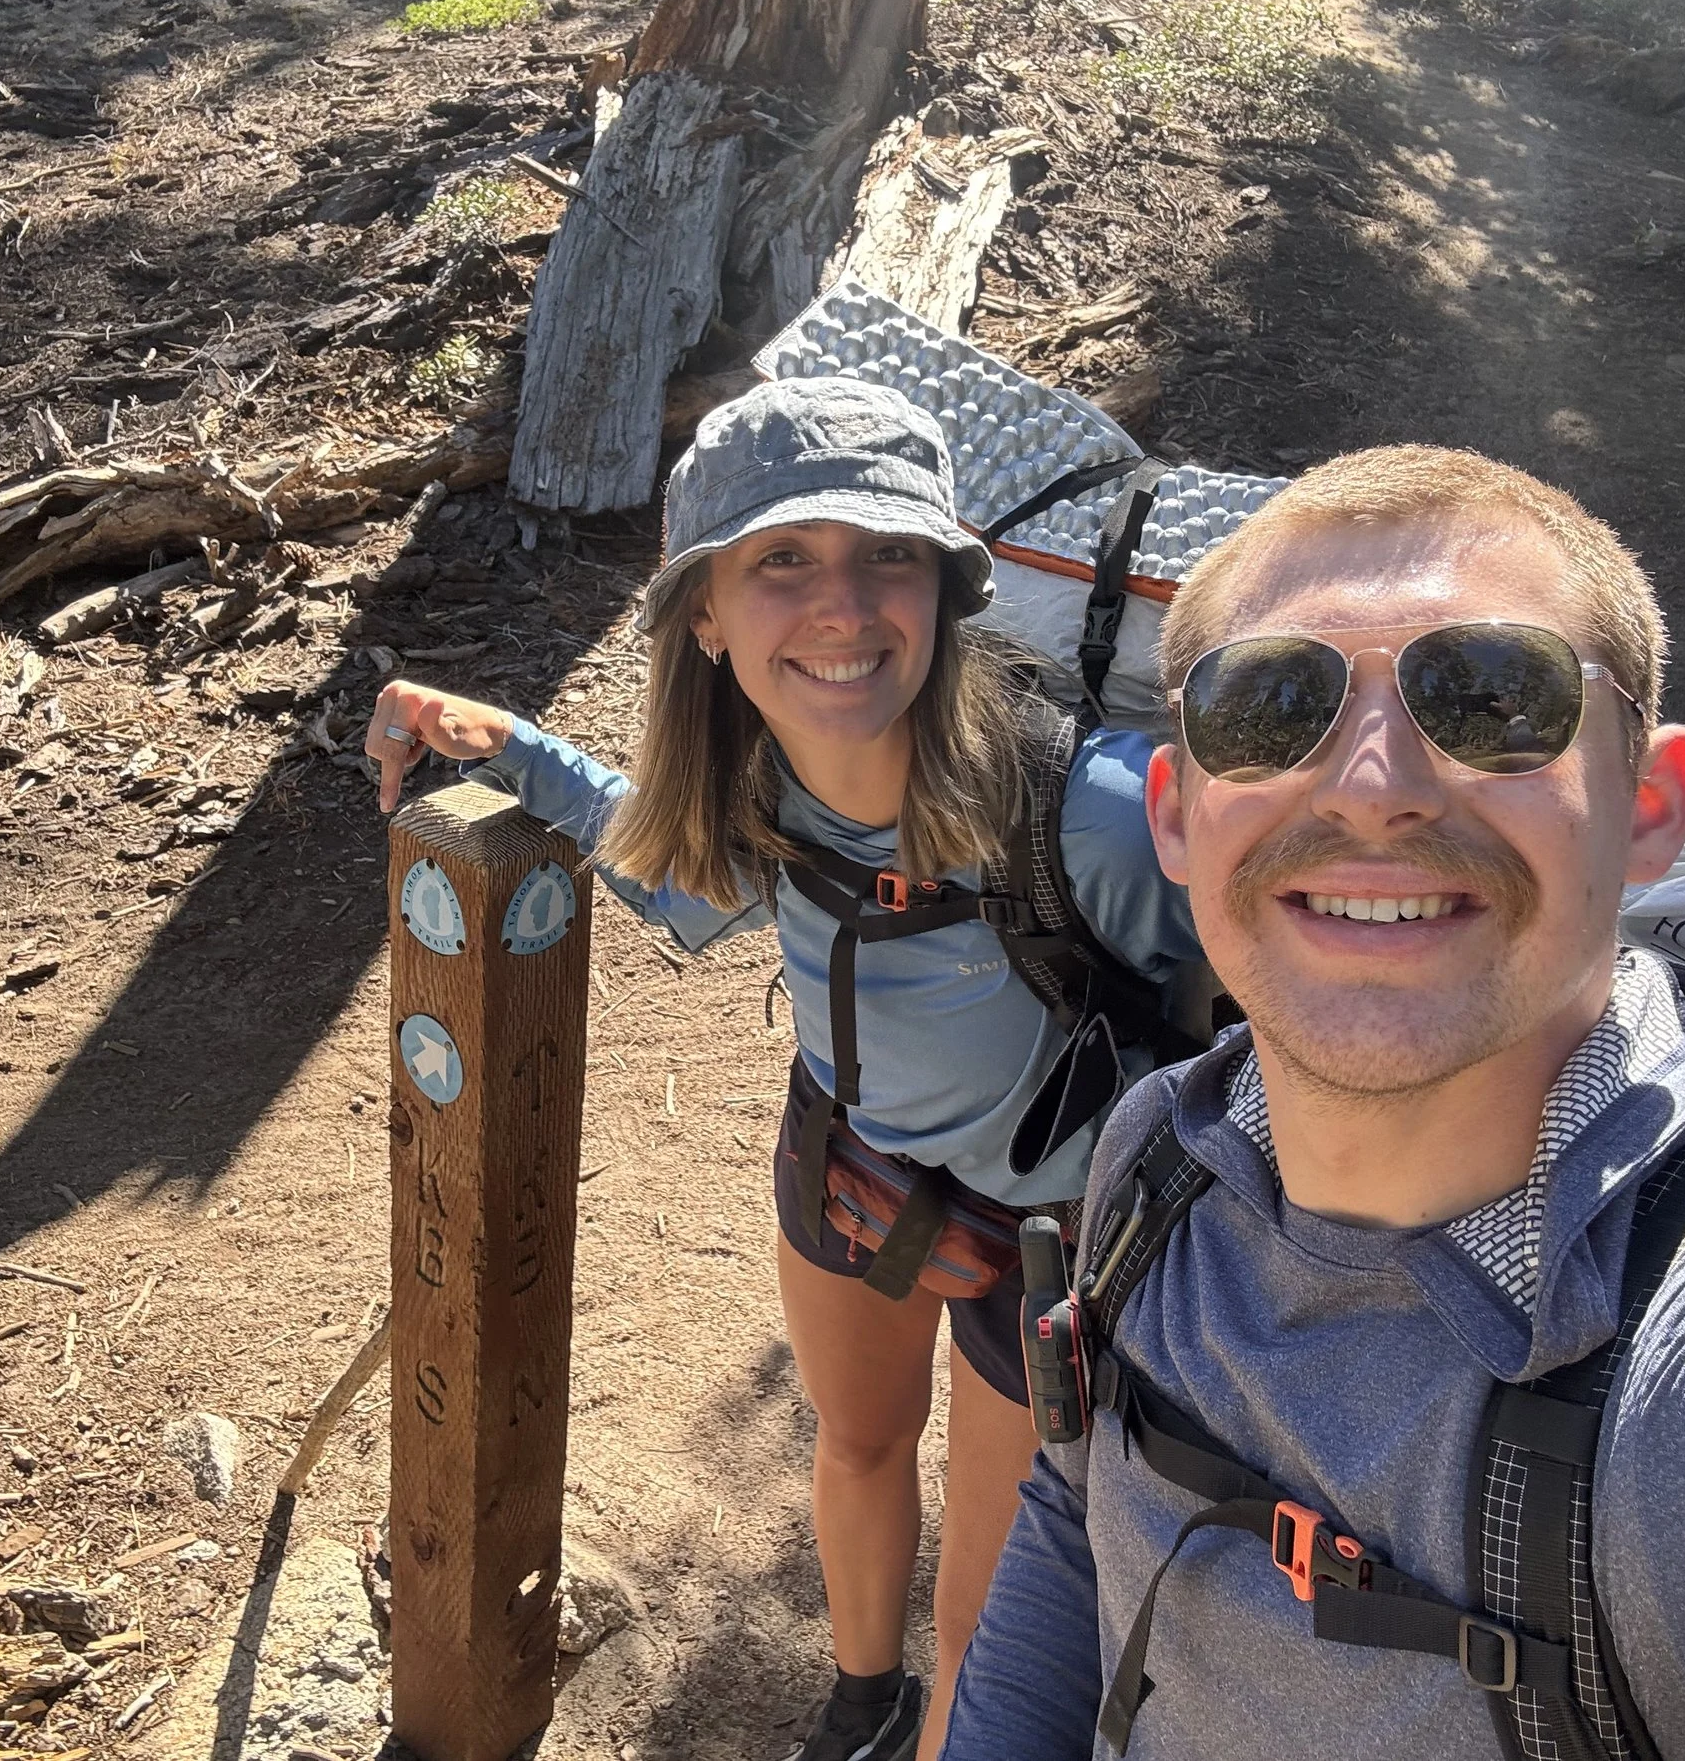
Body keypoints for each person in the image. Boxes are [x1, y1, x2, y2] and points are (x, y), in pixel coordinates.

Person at [942, 445, 1685, 1760]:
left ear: (1650, 807)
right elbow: (1080, 1509)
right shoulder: (1162, 1152)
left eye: (1490, 699)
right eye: (1271, 704)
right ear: (1180, 815)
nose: (1372, 784)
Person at [365, 378, 1205, 1761]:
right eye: (782, 562)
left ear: (946, 588)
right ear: (704, 613)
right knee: (860, 1447)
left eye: (889, 555)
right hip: (850, 1160)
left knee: (992, 1621)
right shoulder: (755, 782)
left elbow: (1272, 984)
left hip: (1047, 1238)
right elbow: (682, 873)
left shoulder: (1095, 813)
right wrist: (512, 749)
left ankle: (930, 1723)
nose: (843, 606)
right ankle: (859, 1703)